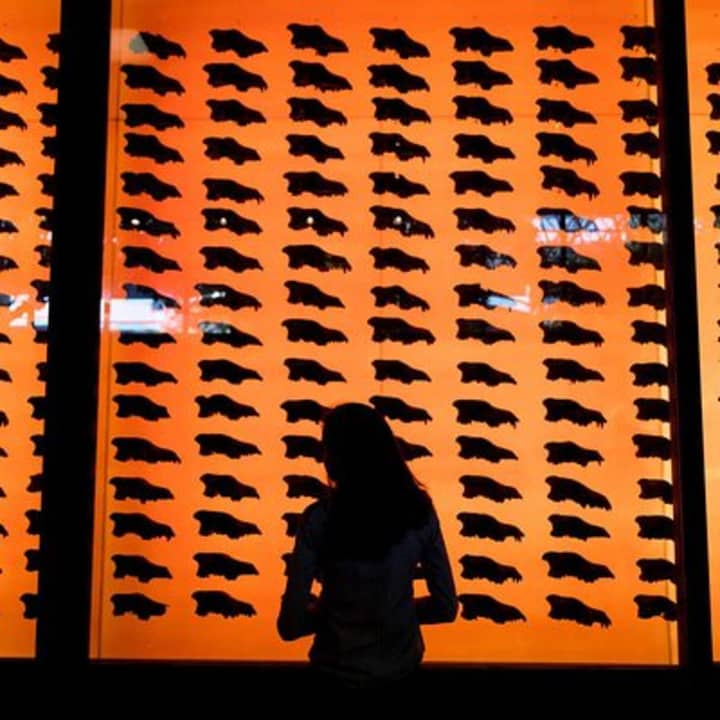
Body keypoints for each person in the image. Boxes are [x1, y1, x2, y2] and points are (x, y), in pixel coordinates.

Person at [277, 402, 458, 688]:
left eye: (327, 448)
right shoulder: (420, 513)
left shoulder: (318, 519)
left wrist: (329, 613)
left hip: (331, 675)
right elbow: (446, 608)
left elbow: (289, 626)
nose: (323, 458)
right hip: (403, 674)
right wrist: (393, 612)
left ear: (337, 457)